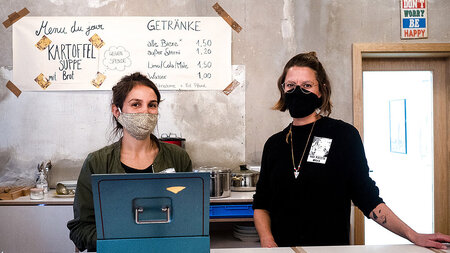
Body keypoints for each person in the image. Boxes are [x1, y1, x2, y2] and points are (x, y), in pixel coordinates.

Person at [252, 52, 450, 249]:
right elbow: (261, 203)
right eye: (291, 86)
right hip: (284, 249)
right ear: (283, 90)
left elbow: (366, 196)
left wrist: (412, 235)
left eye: (307, 86)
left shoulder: (343, 135)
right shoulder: (274, 144)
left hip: (331, 248)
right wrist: (268, 241)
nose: (298, 92)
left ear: (321, 90)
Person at [67, 72, 192, 251]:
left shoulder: (178, 158)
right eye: (136, 104)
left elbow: (188, 217)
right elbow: (80, 229)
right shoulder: (97, 163)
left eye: (152, 105)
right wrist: (121, 243)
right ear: (117, 110)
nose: (145, 111)